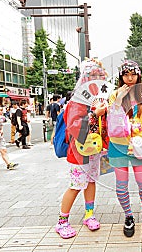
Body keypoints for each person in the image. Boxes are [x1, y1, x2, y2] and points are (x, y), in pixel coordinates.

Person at [55, 59, 108, 239]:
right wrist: (95, 114)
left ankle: (89, 214)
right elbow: (74, 126)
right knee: (76, 185)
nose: (97, 79)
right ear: (85, 78)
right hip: (79, 152)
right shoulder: (77, 100)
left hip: (93, 149)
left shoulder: (98, 97)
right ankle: (62, 221)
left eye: (100, 76)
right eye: (93, 76)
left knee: (91, 181)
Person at [108, 60, 142, 237]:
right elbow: (111, 117)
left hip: (138, 146)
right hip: (117, 145)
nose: (129, 78)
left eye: (133, 74)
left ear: (138, 76)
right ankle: (128, 216)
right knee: (121, 184)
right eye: (126, 75)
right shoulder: (114, 94)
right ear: (121, 76)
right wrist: (119, 98)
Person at [0, 105, 19, 170]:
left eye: (1, 110)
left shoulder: (2, 118)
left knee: (3, 150)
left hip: (0, 137)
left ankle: (9, 164)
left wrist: (1, 130)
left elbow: (1, 125)